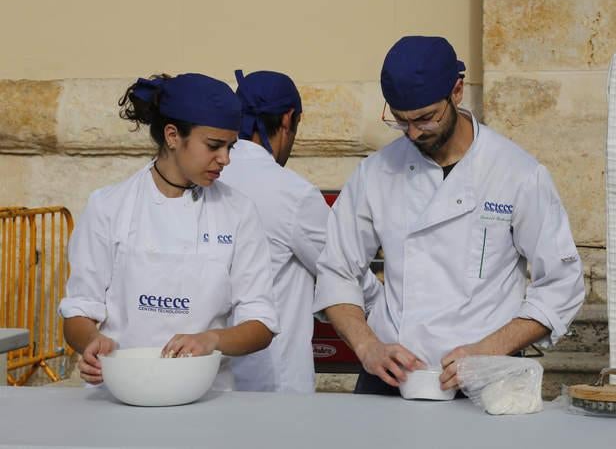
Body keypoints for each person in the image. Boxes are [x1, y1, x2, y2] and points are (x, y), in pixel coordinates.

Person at [313, 36, 585, 396]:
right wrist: (367, 346)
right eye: (400, 121)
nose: (412, 133)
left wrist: (489, 349)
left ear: (456, 91)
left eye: (425, 119)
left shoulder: (516, 173)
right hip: (391, 379)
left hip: (486, 382)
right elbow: (337, 269)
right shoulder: (375, 173)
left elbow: (562, 283)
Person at [59, 73, 280, 390]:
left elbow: (261, 323)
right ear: (173, 135)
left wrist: (213, 339)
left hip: (206, 395)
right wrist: (93, 342)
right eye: (214, 146)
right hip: (123, 392)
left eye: (230, 146)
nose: (226, 159)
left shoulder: (238, 212)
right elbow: (79, 310)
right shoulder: (109, 206)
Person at [221, 70, 382, 393]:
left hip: (211, 380)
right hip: (273, 383)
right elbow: (341, 269)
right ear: (288, 119)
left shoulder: (208, 176)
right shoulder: (292, 193)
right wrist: (388, 306)